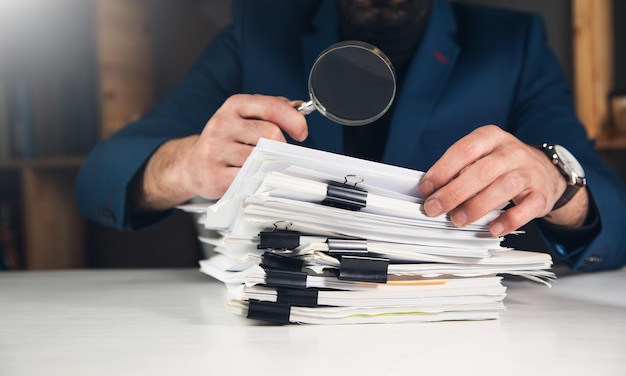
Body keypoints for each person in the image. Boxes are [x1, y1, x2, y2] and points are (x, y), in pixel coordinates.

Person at [75, 0, 626, 271]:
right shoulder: (258, 31)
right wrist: (184, 166)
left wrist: (558, 182)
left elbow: (614, 214)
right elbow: (100, 175)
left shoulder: (512, 42)